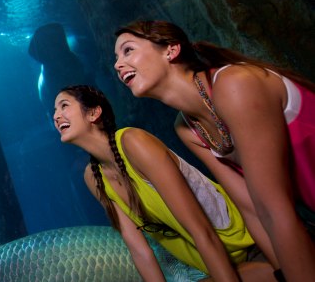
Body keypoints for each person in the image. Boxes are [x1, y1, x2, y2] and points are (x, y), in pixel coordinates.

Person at [114, 20, 315, 282]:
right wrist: (283, 272)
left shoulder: (234, 83)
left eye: (127, 50)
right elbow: (253, 209)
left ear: (171, 50)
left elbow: (275, 210)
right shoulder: (187, 127)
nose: (118, 64)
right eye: (116, 58)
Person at [54, 85, 273, 281]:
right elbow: (140, 251)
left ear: (93, 113)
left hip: (252, 247)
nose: (56, 116)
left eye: (64, 105)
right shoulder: (93, 177)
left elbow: (200, 229)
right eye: (54, 110)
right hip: (212, 268)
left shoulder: (134, 142)